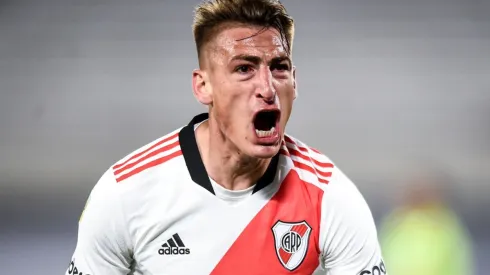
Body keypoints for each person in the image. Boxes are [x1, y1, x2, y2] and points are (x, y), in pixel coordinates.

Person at [66, 0, 386, 274]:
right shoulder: (127, 192)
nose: (267, 87)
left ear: (295, 82)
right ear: (203, 86)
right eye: (244, 68)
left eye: (279, 67)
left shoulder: (330, 197)